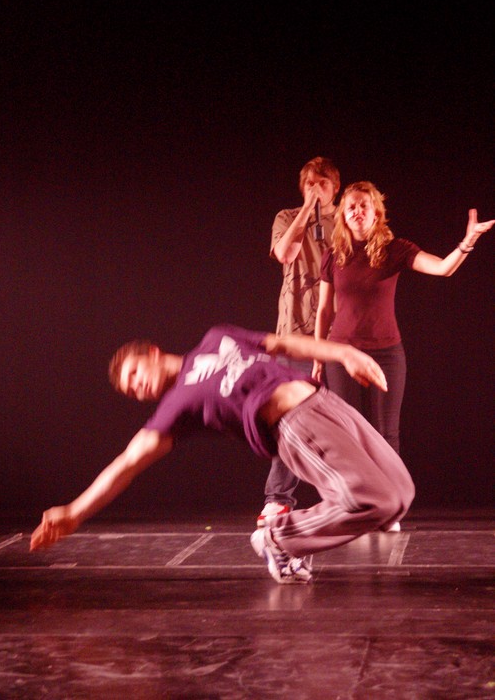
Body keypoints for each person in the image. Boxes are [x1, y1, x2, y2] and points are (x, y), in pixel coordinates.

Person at [30, 324, 415, 585]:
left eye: (133, 374)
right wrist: (75, 511)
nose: (137, 388)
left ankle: (286, 541)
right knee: (375, 500)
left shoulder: (217, 336)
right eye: (131, 392)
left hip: (323, 401)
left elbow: (282, 344)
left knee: (400, 495)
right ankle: (278, 539)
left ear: (152, 353)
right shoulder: (176, 407)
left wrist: (343, 353)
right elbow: (128, 462)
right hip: (294, 425)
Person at [314, 180, 494, 482]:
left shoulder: (395, 250)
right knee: (347, 430)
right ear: (343, 215)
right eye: (351, 207)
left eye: (364, 205)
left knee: (386, 432)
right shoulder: (333, 255)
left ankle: (391, 497)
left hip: (386, 353)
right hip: (342, 355)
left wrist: (467, 241)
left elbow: (442, 268)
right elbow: (323, 311)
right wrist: (318, 357)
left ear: (376, 213)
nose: (357, 211)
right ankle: (354, 497)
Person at [259, 156, 340, 527]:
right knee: (290, 418)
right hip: (294, 333)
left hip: (339, 335)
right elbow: (285, 254)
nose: (316, 189)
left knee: (339, 421)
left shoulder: (347, 219)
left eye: (322, 183)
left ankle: (344, 495)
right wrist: (308, 209)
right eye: (310, 183)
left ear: (335, 187)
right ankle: (278, 498)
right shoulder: (287, 217)